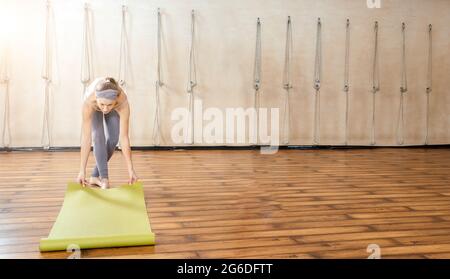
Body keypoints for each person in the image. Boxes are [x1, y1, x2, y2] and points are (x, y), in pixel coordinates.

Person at [76, 77, 138, 189]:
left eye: (109, 105)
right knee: (98, 137)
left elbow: (124, 137)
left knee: (114, 138)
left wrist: (131, 170)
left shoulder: (122, 101)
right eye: (102, 105)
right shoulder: (89, 102)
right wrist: (81, 171)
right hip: (95, 104)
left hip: (109, 102)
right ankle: (104, 178)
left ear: (116, 100)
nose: (105, 109)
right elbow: (86, 138)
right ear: (96, 98)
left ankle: (94, 176)